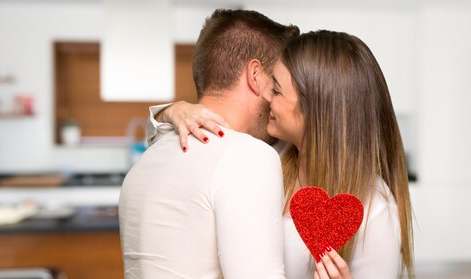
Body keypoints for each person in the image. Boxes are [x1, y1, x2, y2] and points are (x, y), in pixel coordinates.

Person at [153, 31, 415, 278]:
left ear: (314, 107)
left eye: (277, 90)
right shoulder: (267, 158)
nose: (267, 96)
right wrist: (171, 111)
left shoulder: (376, 216)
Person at [119, 9, 299, 278]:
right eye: (277, 84)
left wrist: (165, 110)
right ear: (256, 76)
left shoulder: (148, 160)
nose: (278, 99)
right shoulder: (248, 157)